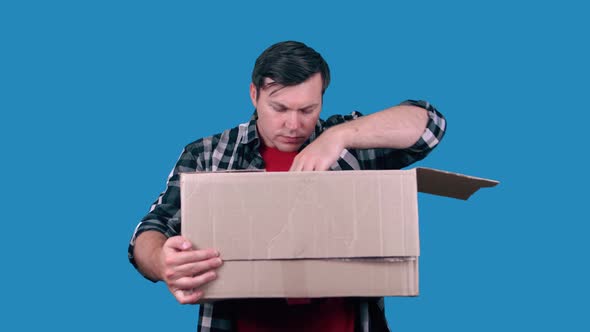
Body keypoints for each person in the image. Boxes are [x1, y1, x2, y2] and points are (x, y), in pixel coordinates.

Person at [128, 40, 446, 332]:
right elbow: (149, 231)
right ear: (254, 95)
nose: (293, 125)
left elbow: (430, 125)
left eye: (308, 110)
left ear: (322, 99)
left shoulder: (350, 144)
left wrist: (340, 136)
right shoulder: (209, 153)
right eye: (279, 108)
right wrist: (161, 261)